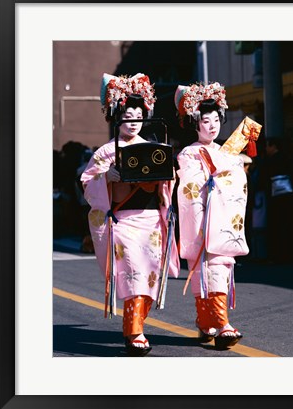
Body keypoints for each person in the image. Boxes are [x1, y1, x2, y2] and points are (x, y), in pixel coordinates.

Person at [81, 73, 179, 356]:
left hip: (151, 222)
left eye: (138, 114)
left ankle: (135, 324)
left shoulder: (154, 148)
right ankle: (134, 332)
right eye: (127, 114)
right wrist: (106, 178)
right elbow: (87, 183)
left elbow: (165, 187)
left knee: (149, 274)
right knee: (134, 272)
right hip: (124, 222)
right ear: (116, 116)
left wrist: (169, 174)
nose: (134, 119)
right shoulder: (105, 152)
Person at [174, 82, 250, 350]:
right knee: (209, 271)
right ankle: (222, 325)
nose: (212, 125)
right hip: (204, 221)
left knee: (220, 269)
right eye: (206, 120)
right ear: (194, 123)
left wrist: (235, 170)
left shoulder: (224, 151)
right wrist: (223, 172)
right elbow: (190, 189)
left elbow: (235, 184)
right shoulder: (188, 153)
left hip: (223, 220)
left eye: (216, 119)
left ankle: (206, 322)